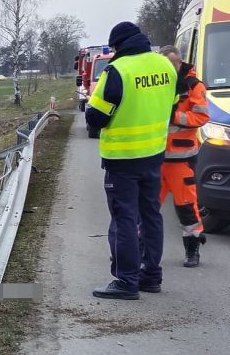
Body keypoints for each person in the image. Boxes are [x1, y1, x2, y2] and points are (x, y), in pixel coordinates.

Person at [86, 22, 177, 300]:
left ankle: (127, 281)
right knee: (151, 215)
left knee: (124, 218)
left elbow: (96, 117)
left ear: (118, 46)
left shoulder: (118, 71)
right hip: (154, 154)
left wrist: (93, 109)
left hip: (123, 159)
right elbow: (171, 105)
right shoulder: (165, 66)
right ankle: (151, 276)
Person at [159, 45, 210, 268]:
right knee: (146, 206)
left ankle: (192, 250)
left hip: (181, 158)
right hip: (155, 157)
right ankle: (140, 249)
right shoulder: (158, 84)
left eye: (173, 64)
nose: (169, 69)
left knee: (186, 205)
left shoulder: (193, 87)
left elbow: (200, 117)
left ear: (180, 63)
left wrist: (174, 116)